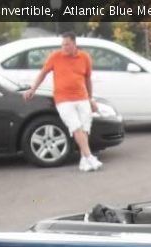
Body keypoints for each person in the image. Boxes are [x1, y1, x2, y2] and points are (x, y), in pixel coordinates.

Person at [23, 32, 102, 172]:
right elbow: (43, 73)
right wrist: (33, 89)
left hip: (82, 97)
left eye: (67, 44)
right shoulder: (55, 57)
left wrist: (91, 98)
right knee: (76, 127)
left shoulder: (84, 57)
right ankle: (90, 156)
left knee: (85, 129)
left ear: (74, 44)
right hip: (63, 99)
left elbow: (88, 79)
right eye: (63, 44)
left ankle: (84, 161)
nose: (64, 47)